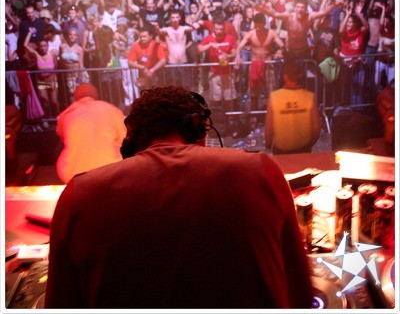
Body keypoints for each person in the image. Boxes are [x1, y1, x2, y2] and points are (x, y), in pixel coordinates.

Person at [45, 85, 314, 309]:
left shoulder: (79, 194)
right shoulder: (261, 170)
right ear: (202, 133)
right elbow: (299, 289)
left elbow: (60, 304)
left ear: (130, 143)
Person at [55, 83, 126, 184]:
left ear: (75, 98)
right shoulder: (111, 110)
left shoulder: (65, 114)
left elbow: (62, 137)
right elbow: (124, 139)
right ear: (97, 95)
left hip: (72, 174)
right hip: (109, 170)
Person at [265, 61, 321, 154]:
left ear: (285, 76)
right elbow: (316, 127)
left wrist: (268, 144)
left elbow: (269, 127)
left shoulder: (274, 97)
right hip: (304, 148)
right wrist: (310, 144)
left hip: (281, 149)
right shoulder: (310, 96)